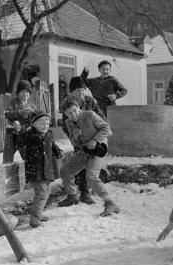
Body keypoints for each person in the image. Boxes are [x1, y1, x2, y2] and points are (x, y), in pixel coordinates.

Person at [58, 98, 120, 217]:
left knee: (91, 175)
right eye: (69, 113)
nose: (74, 115)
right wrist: (76, 136)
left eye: (75, 111)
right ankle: (72, 196)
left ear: (78, 108)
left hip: (98, 149)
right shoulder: (68, 123)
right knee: (65, 171)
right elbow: (74, 143)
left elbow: (107, 129)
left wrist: (95, 140)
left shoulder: (90, 115)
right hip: (83, 150)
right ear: (65, 114)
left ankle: (110, 203)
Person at [61, 76, 107, 205]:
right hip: (78, 139)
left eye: (82, 89)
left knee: (90, 165)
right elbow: (66, 124)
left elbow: (101, 116)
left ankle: (86, 193)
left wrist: (96, 133)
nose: (80, 92)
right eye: (77, 90)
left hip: (93, 138)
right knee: (79, 165)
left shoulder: (90, 101)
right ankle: (81, 192)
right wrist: (74, 136)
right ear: (71, 92)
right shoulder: (67, 104)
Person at [23, 111, 62, 228]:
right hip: (35, 171)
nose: (45, 126)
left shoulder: (48, 134)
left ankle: (38, 214)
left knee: (47, 191)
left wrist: (57, 151)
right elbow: (26, 141)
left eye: (46, 123)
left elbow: (52, 145)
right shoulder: (31, 136)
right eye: (41, 124)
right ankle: (34, 218)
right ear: (33, 124)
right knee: (41, 193)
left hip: (46, 169)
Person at [3, 80, 36, 163]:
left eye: (27, 92)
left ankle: (30, 174)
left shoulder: (32, 105)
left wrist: (33, 115)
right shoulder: (13, 102)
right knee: (8, 160)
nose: (25, 94)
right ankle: (7, 175)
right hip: (11, 134)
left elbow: (36, 121)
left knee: (29, 158)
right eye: (23, 91)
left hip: (24, 134)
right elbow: (7, 114)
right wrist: (20, 112)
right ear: (18, 93)